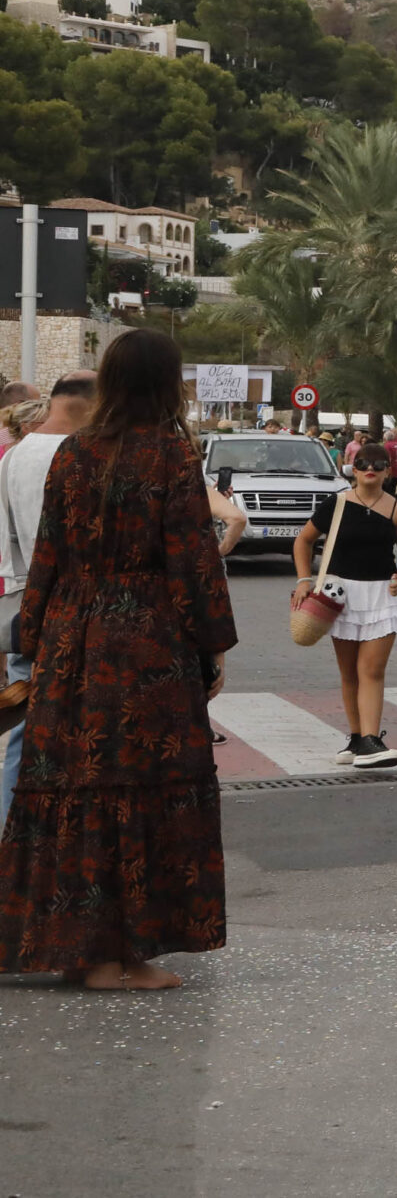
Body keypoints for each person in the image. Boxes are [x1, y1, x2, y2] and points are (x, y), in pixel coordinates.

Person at [0, 332, 233, 990]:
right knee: (138, 788)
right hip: (145, 642)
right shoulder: (169, 455)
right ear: (167, 382)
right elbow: (192, 560)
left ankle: (82, 949)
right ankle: (125, 958)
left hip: (73, 640)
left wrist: (33, 641)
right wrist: (211, 644)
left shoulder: (72, 454)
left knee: (75, 788)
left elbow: (46, 554)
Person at [1, 373, 100, 835]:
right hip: (75, 609)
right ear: (89, 406)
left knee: (27, 726)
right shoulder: (79, 455)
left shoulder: (16, 455)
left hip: (27, 604)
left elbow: (11, 544)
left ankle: (11, 826)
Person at [294, 443, 397, 770]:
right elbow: (303, 540)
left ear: (388, 470)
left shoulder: (396, 510)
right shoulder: (336, 503)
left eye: (378, 463)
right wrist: (303, 581)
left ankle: (371, 740)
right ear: (353, 467)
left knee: (371, 670)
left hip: (381, 597)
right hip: (341, 597)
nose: (370, 468)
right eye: (363, 462)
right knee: (349, 673)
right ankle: (356, 736)